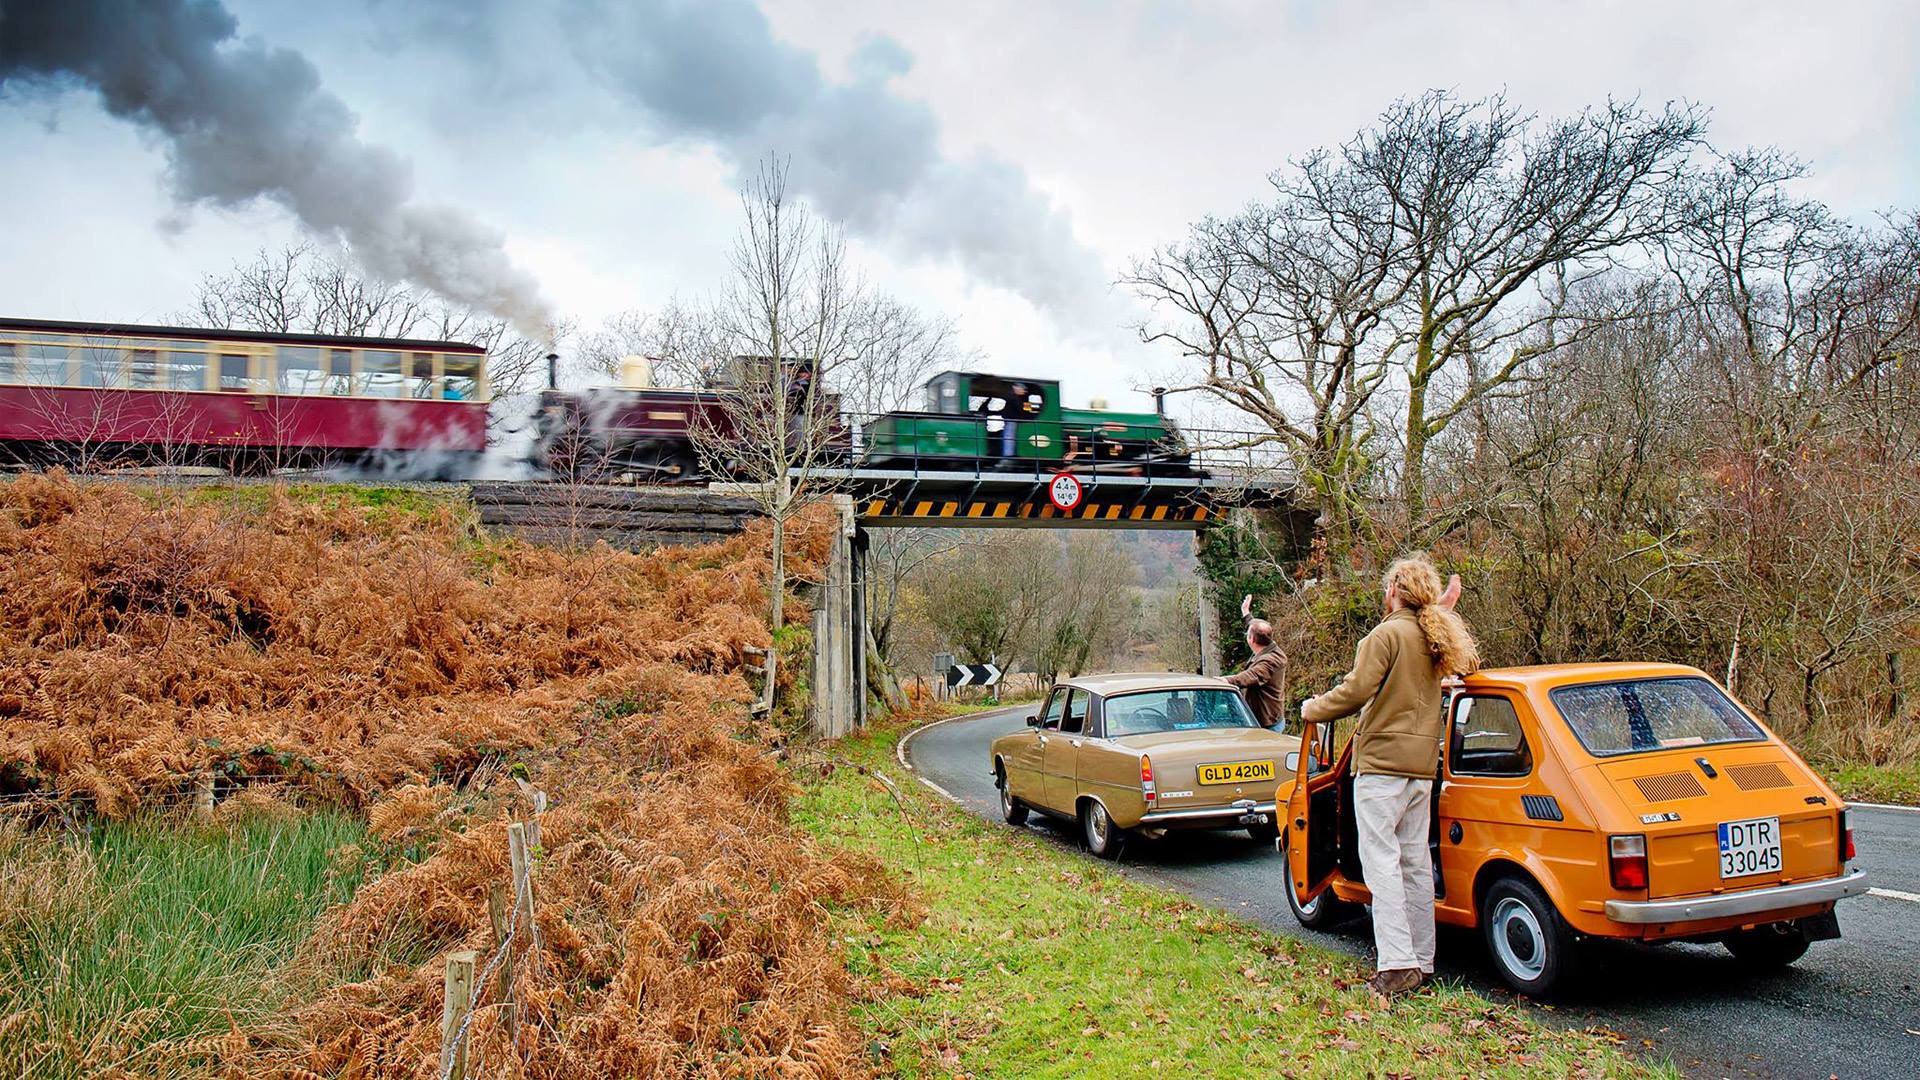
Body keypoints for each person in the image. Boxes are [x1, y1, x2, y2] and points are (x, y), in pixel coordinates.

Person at [1301, 555, 1478, 999]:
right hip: (1422, 770)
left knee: (1382, 864)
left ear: (1395, 590)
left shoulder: (1384, 635)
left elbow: (1355, 692)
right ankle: (1423, 960)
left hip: (1381, 767)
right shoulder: (1436, 638)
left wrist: (1312, 708)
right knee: (1416, 864)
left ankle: (1397, 965)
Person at [1224, 593, 1287, 730]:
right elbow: (1256, 627)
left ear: (1251, 640)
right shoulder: (1267, 645)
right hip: (1264, 718)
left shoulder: (1270, 660)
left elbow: (1249, 676)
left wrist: (1225, 681)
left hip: (1268, 723)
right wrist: (1246, 613)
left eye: (1248, 634)